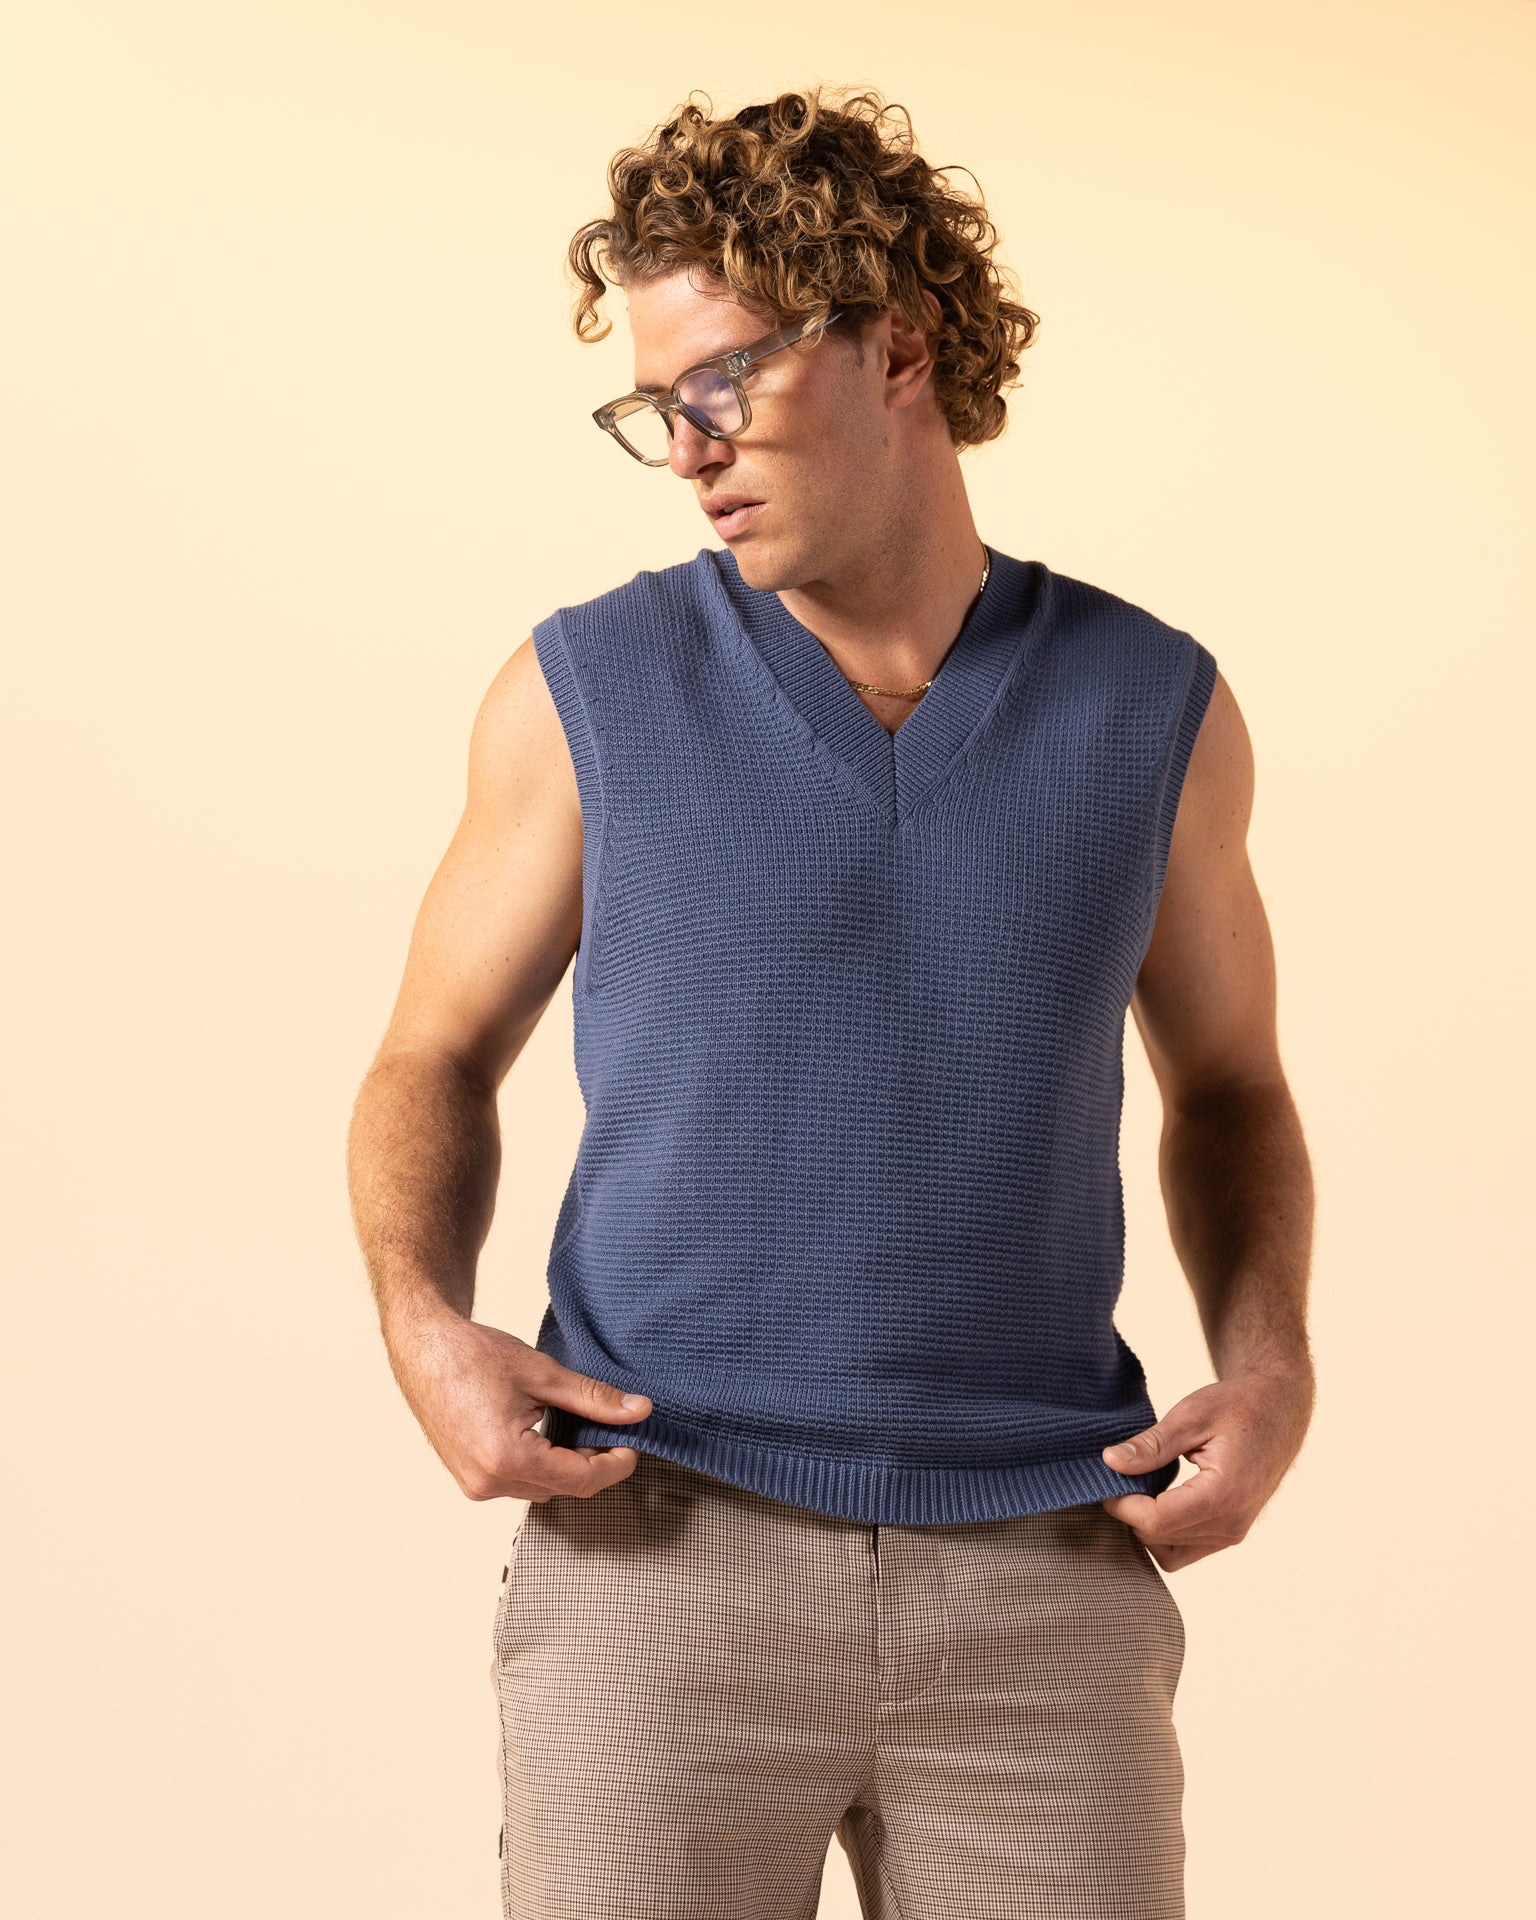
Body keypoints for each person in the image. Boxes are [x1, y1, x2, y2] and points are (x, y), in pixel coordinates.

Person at [346, 84, 1315, 1920]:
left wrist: (1269, 1363)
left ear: (896, 345)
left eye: (725, 384)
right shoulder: (582, 693)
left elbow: (1237, 1087)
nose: (688, 448)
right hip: (657, 1551)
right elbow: (429, 1056)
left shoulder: (1154, 707)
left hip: (1043, 1566)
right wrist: (421, 1325)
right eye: (654, 409)